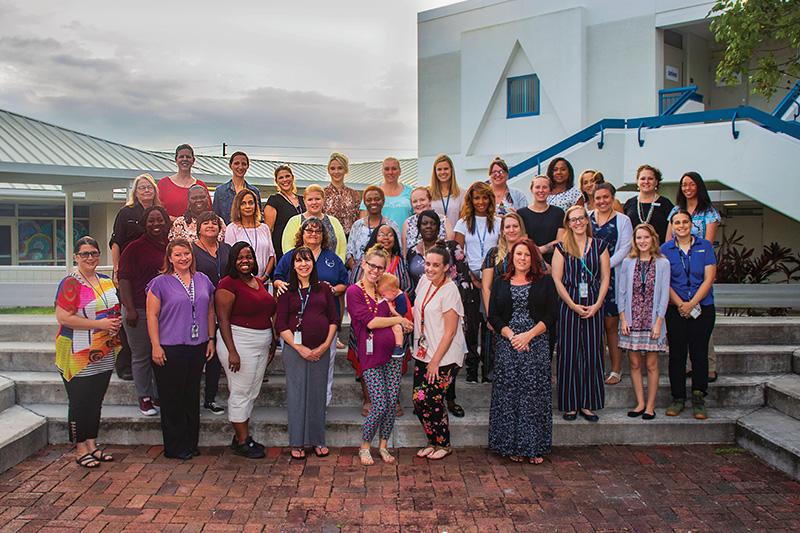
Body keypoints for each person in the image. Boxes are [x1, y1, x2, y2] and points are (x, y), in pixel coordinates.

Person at [488, 239, 558, 464]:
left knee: (533, 397)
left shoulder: (545, 282)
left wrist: (528, 335)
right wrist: (512, 336)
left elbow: (552, 314)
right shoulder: (501, 282)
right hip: (509, 345)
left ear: (534, 258)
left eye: (527, 255)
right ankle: (510, 445)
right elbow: (493, 315)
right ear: (512, 257)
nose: (522, 258)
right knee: (508, 396)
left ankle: (534, 447)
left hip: (535, 344)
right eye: (519, 254)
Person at [145, 238, 215, 460]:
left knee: (191, 396)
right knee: (172, 398)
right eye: (178, 255)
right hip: (170, 347)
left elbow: (210, 311)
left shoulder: (203, 280)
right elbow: (151, 315)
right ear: (170, 258)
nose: (183, 258)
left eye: (186, 254)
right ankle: (175, 447)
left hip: (197, 346)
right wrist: (155, 345)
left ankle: (191, 443)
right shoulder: (160, 283)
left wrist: (211, 339)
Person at [55, 236, 122, 468]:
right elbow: (64, 317)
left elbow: (112, 307)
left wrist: (115, 321)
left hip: (102, 351)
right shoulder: (71, 283)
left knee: (95, 401)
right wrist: (100, 325)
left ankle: (92, 444)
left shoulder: (105, 281)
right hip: (77, 352)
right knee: (79, 401)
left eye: (94, 253)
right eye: (84, 254)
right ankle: (80, 448)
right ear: (75, 257)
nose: (90, 257)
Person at [346, 244, 413, 466]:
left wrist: (404, 320)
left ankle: (383, 445)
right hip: (370, 356)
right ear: (363, 264)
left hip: (393, 357)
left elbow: (399, 301)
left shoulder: (382, 289)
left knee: (391, 401)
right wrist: (399, 320)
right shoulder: (354, 292)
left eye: (380, 268)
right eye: (372, 266)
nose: (375, 270)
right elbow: (371, 322)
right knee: (379, 403)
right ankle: (365, 446)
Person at [274, 216, 348, 406]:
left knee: (327, 367)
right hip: (295, 325)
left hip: (324, 320)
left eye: (318, 231)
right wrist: (280, 283)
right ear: (302, 234)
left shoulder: (332, 258)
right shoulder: (290, 256)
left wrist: (332, 290)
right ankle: (300, 406)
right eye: (309, 230)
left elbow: (344, 283)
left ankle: (322, 405)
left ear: (324, 235)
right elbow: (277, 278)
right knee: (298, 369)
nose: (313, 234)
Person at [276, 247, 340, 459]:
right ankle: (297, 442)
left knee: (318, 395)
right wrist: (299, 347)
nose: (304, 264)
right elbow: (281, 324)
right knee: (296, 396)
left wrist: (325, 346)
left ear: (313, 263)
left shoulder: (324, 289)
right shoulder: (286, 291)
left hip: (321, 349)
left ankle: (317, 440)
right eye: (299, 261)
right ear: (293, 265)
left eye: (307, 260)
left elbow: (334, 319)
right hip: (295, 351)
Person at [406, 210, 470, 418]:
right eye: (424, 223)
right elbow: (414, 294)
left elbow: (450, 333)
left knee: (436, 390)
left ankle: (446, 414)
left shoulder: (450, 251)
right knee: (423, 395)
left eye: (432, 223)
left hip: (444, 330)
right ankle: (432, 432)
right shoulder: (417, 262)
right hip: (425, 330)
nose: (428, 227)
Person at [216, 242, 276, 459]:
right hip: (239, 342)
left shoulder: (257, 282)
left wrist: (272, 341)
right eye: (240, 257)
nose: (245, 261)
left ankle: (241, 436)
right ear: (232, 260)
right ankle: (242, 441)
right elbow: (222, 319)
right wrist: (232, 351)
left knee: (252, 391)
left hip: (261, 342)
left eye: (249, 257)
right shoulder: (228, 284)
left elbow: (268, 313)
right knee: (241, 392)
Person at [552, 206, 610, 421]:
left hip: (594, 301)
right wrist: (572, 304)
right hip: (569, 303)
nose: (577, 222)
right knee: (569, 354)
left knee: (593, 353)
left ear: (587, 220)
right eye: (573, 219)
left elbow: (605, 278)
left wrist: (597, 304)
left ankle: (588, 403)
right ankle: (570, 404)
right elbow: (557, 279)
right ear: (568, 223)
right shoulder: (561, 248)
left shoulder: (601, 246)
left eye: (581, 218)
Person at [348, 223, 412, 416]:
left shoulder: (400, 263)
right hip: (367, 329)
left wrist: (396, 307)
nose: (385, 238)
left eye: (390, 234)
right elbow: (355, 290)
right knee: (367, 365)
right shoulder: (364, 267)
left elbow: (406, 287)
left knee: (393, 364)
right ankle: (369, 400)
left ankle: (394, 399)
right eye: (381, 234)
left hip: (391, 324)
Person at [412, 240, 466, 461]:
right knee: (419, 399)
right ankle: (431, 441)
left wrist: (435, 361)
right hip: (424, 351)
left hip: (444, 357)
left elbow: (450, 332)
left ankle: (443, 444)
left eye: (436, 265)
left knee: (433, 399)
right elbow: (419, 308)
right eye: (427, 264)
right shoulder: (424, 280)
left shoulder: (450, 290)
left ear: (446, 267)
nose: (430, 269)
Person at [666, 171, 721, 382]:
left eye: (691, 184)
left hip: (699, 274)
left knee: (701, 330)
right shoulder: (675, 210)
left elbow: (707, 243)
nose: (687, 188)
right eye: (683, 185)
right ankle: (689, 368)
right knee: (681, 339)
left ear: (698, 186)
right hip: (678, 278)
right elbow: (668, 242)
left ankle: (709, 366)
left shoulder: (709, 212)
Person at [661, 210, 717, 420]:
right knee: (677, 355)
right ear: (672, 226)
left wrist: (692, 303)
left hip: (702, 308)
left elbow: (709, 278)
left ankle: (699, 397)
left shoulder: (705, 246)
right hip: (675, 308)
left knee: (699, 353)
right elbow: (664, 281)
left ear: (691, 224)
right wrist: (680, 304)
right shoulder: (665, 249)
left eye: (685, 222)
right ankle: (678, 398)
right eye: (677, 222)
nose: (681, 225)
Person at [118, 206, 170, 416]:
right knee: (141, 355)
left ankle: (158, 394)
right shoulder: (134, 247)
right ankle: (145, 397)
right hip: (138, 308)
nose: (156, 224)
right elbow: (123, 279)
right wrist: (130, 308)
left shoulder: (170, 246)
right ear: (144, 223)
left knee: (160, 353)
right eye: (151, 220)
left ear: (166, 222)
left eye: (160, 220)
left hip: (164, 311)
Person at [109, 173, 161, 381]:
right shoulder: (126, 213)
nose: (146, 191)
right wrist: (116, 269)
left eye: (149, 187)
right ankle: (125, 363)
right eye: (142, 188)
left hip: (153, 273)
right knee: (129, 319)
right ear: (135, 191)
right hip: (129, 272)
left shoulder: (159, 212)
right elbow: (116, 242)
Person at [617, 224, 670, 420]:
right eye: (639, 238)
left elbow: (664, 294)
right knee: (634, 363)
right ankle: (639, 403)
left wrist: (659, 322)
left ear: (653, 239)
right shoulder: (628, 262)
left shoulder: (663, 263)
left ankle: (650, 405)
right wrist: (622, 317)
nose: (642, 241)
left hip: (652, 320)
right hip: (631, 320)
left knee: (652, 365)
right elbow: (621, 291)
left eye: (646, 237)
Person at [454, 181, 500, 384]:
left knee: (491, 324)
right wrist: (471, 277)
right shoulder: (463, 223)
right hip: (470, 279)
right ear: (471, 200)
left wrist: (489, 280)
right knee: (472, 326)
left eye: (484, 197)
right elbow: (458, 253)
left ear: (490, 199)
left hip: (494, 279)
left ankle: (489, 368)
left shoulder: (499, 222)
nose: (481, 202)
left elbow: (502, 251)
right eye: (477, 198)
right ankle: (472, 368)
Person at [589, 183, 632, 386]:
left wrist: (602, 266)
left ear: (613, 197)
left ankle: (615, 370)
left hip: (613, 277)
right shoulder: (586, 217)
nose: (602, 201)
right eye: (598, 198)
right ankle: (597, 369)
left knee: (610, 325)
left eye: (606, 197)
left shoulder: (623, 221)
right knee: (594, 327)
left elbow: (624, 249)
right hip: (588, 279)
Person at [192, 211, 232, 415]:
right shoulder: (191, 251)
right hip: (198, 309)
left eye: (214, 223)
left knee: (215, 355)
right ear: (198, 228)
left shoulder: (226, 249)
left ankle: (210, 399)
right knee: (199, 353)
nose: (210, 226)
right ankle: (190, 400)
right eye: (205, 223)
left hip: (224, 309)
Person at [282, 184, 346, 262]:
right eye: (310, 199)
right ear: (304, 201)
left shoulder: (334, 222)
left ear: (323, 199)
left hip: (331, 270)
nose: (314, 202)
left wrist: (337, 267)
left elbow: (342, 249)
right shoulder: (294, 222)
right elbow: (288, 249)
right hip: (302, 271)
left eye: (317, 199)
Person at [225, 189, 275, 283]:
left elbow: (271, 256)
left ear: (256, 205)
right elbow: (231, 258)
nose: (247, 206)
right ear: (238, 207)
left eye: (250, 203)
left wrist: (265, 276)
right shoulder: (232, 228)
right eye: (243, 203)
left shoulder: (264, 228)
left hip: (263, 282)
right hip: (241, 282)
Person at [345, 185, 400, 270]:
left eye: (377, 199)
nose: (373, 202)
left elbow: (398, 251)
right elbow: (349, 253)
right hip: (360, 277)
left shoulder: (391, 225)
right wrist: (359, 273)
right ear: (365, 203)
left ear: (383, 201)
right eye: (369, 200)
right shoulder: (357, 225)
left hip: (386, 275)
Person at [516, 175, 566, 267]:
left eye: (545, 187)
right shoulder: (521, 214)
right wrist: (543, 264)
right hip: (529, 264)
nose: (541, 190)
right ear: (531, 190)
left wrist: (541, 249)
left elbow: (561, 240)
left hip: (554, 264)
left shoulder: (558, 212)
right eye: (537, 187)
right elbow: (524, 240)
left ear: (550, 190)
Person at [157, 144, 212, 221]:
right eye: (181, 156)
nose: (185, 159)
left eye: (188, 157)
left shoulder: (200, 185)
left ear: (193, 160)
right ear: (176, 160)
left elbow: (208, 212)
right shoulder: (163, 184)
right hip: (169, 229)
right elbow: (158, 211)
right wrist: (180, 222)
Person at [623, 164, 674, 245]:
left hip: (659, 253)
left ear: (656, 182)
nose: (646, 182)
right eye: (643, 179)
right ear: (637, 181)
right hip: (634, 253)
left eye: (650, 179)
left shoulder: (665, 204)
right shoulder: (629, 203)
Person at [264, 164, 306, 260]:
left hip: (303, 247)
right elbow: (269, 229)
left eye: (287, 176)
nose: (285, 180)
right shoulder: (274, 200)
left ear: (292, 177)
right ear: (276, 182)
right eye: (281, 178)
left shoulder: (302, 199)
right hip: (281, 248)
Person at [359, 157, 412, 229]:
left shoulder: (410, 191)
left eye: (394, 169)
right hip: (379, 238)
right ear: (382, 171)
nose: (390, 172)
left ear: (400, 171)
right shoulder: (372, 191)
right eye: (387, 169)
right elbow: (363, 220)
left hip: (405, 238)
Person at [212, 151, 262, 226]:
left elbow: (257, 217)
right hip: (226, 235)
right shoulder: (220, 191)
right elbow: (216, 217)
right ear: (230, 165)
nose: (240, 167)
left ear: (248, 166)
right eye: (236, 163)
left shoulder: (254, 191)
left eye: (244, 164)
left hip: (248, 233)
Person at [401, 186, 452, 255]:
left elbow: (450, 249)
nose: (419, 204)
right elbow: (404, 253)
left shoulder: (443, 220)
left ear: (430, 200)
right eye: (415, 201)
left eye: (422, 200)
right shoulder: (408, 223)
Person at [323, 152, 361, 237]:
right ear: (329, 171)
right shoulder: (322, 194)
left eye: (340, 168)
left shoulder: (354, 194)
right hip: (328, 239)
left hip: (350, 238)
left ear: (345, 170)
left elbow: (359, 220)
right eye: (333, 168)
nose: (336, 172)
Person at [376, 273, 411, 359]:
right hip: (397, 320)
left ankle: (398, 347)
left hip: (404, 322)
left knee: (397, 328)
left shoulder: (401, 298)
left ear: (393, 291)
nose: (382, 297)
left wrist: (391, 308)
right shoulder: (393, 295)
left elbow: (400, 317)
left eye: (383, 295)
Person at [429, 154, 465, 227]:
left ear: (451, 170)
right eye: (439, 169)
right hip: (434, 237)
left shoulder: (461, 192)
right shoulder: (428, 192)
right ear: (435, 171)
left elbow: (463, 219)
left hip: (454, 236)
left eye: (446, 169)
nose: (443, 172)